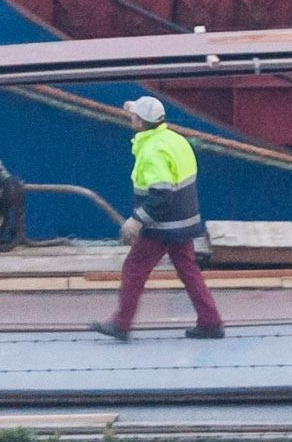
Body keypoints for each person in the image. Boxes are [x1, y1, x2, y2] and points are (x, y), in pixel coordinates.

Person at [95, 95, 226, 342]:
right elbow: (143, 114)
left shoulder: (152, 150)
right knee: (189, 271)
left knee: (134, 269)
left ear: (142, 123)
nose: (130, 119)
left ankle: (121, 324)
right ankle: (211, 322)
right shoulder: (172, 139)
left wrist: (137, 220)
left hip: (162, 225)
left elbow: (161, 192)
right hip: (183, 222)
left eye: (133, 117)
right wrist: (132, 108)